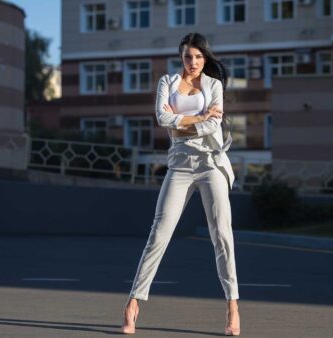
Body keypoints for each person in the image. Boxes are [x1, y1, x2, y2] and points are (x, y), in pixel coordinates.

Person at [121, 32, 240, 336]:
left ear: (205, 58)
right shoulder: (168, 83)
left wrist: (183, 121)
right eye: (188, 56)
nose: (193, 62)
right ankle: (133, 305)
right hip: (179, 165)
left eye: (199, 57)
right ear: (181, 57)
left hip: (211, 164)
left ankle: (232, 307)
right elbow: (162, 118)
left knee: (222, 235)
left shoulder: (213, 85)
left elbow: (213, 124)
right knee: (158, 234)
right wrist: (198, 117)